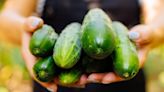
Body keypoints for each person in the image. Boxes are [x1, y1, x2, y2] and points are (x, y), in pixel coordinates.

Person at [0, 0, 164, 92]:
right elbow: (6, 20)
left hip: (124, 82)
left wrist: (153, 33)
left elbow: (159, 15)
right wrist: (24, 29)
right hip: (55, 76)